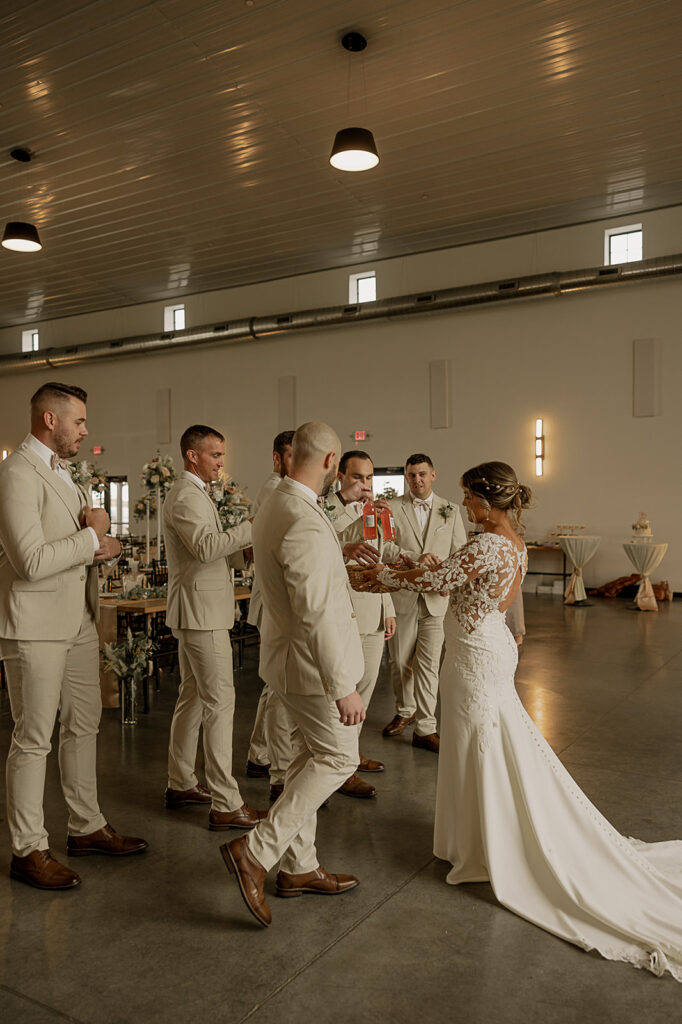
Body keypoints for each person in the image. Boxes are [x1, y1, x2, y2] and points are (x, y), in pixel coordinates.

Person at [362, 461, 682, 981]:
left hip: (473, 657)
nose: (464, 505)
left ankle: (489, 847)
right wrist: (418, 566)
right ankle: (478, 838)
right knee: (484, 742)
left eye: (468, 498)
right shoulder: (512, 540)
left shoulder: (487, 542)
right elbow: (455, 575)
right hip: (486, 647)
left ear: (487, 502)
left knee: (483, 744)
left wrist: (382, 575)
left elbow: (441, 579)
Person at [0, 382, 147, 891]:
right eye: (78, 421)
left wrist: (97, 533)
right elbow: (30, 560)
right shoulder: (17, 472)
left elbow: (78, 540)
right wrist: (91, 539)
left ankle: (84, 826)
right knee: (33, 738)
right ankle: (28, 849)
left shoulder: (63, 473)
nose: (85, 430)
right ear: (49, 420)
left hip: (78, 619)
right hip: (35, 625)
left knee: (84, 726)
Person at [221, 421, 365, 927]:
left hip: (283, 656)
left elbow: (297, 570)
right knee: (339, 757)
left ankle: (299, 867)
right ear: (330, 462)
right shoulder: (300, 514)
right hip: (308, 665)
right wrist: (342, 684)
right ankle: (256, 853)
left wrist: (337, 553)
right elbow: (315, 610)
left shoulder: (279, 500)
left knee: (306, 758)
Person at [163, 424, 265, 831]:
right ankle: (225, 802)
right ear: (192, 456)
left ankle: (180, 782)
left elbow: (211, 552)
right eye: (215, 455)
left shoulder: (199, 493)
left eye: (221, 456)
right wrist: (252, 526)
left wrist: (244, 550)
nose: (222, 463)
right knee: (220, 702)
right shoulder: (186, 494)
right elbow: (205, 547)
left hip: (201, 609)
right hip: (200, 613)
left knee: (192, 698)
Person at [382, 453, 466, 752]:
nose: (416, 480)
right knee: (400, 662)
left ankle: (426, 728)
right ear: (406, 477)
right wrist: (413, 557)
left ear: (433, 475)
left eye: (421, 474)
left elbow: (459, 553)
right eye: (411, 475)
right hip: (402, 595)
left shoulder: (450, 510)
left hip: (436, 600)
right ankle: (406, 711)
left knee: (429, 665)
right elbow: (385, 548)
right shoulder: (392, 508)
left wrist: (450, 584)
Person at [326, 450, 396, 798]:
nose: (364, 485)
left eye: (368, 478)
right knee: (343, 691)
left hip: (372, 609)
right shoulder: (325, 506)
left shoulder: (375, 511)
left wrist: (389, 606)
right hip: (341, 611)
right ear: (340, 476)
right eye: (356, 477)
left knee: (366, 689)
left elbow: (380, 557)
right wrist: (347, 511)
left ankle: (350, 755)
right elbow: (322, 545)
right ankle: (338, 765)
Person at [245, 430, 296, 784]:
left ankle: (258, 754)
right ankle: (279, 769)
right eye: (292, 456)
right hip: (275, 599)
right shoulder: (274, 490)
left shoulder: (286, 489)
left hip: (280, 599)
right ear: (277, 459)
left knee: (274, 682)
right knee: (279, 682)